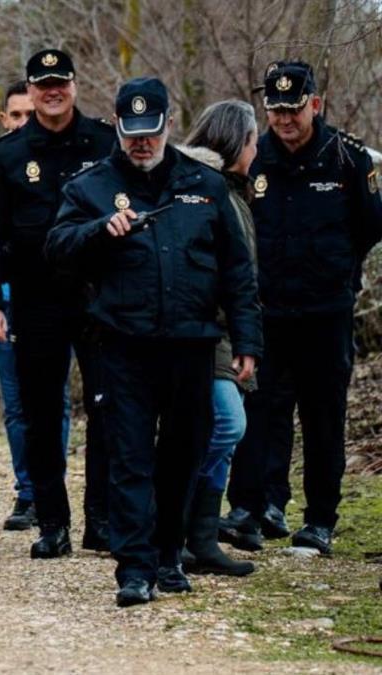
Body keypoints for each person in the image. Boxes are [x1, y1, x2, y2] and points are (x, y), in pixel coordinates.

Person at [46, 77, 261, 606]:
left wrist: (248, 341)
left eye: (150, 131)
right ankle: (134, 569)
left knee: (182, 456)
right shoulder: (90, 185)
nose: (141, 142)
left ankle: (170, 555)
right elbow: (55, 248)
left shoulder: (203, 184)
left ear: (167, 124)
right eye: (130, 132)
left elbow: (237, 270)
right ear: (117, 127)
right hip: (122, 345)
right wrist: (99, 230)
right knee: (130, 458)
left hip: (191, 344)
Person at [223, 62, 382, 555]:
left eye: (293, 108)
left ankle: (319, 520)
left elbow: (370, 227)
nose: (284, 119)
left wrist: (337, 270)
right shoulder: (255, 158)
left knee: (322, 416)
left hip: (325, 312)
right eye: (275, 110)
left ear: (315, 104)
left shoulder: (348, 159)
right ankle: (256, 507)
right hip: (266, 311)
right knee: (260, 411)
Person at [0, 49, 117, 557]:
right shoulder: (7, 154)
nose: (53, 91)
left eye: (61, 82)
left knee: (108, 409)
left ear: (74, 85)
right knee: (39, 411)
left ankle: (102, 521)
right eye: (42, 84)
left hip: (101, 298)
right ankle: (52, 523)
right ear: (30, 91)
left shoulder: (105, 141)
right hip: (35, 299)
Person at [0, 80, 70, 532]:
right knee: (19, 403)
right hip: (9, 303)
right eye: (17, 115)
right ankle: (29, 492)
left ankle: (53, 488)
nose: (25, 121)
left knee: (58, 401)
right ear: (4, 119)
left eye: (31, 113)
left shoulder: (64, 161)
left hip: (63, 300)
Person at [176, 100, 260, 578]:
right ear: (236, 143)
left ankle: (201, 538)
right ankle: (179, 523)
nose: (256, 150)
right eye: (252, 141)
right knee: (226, 424)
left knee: (223, 434)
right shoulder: (205, 192)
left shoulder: (234, 193)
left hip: (229, 332)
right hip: (206, 331)